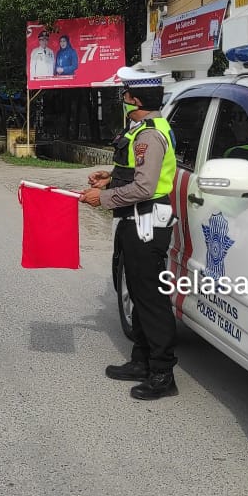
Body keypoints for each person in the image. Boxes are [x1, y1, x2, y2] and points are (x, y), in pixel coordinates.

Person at [81, 67, 179, 400]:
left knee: (151, 298)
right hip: (133, 220)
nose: (122, 99)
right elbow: (134, 174)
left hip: (146, 223)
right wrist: (109, 179)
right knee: (137, 293)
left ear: (135, 99)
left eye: (125, 95)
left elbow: (146, 186)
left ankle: (163, 373)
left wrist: (102, 198)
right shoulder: (139, 129)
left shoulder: (150, 134)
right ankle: (142, 360)